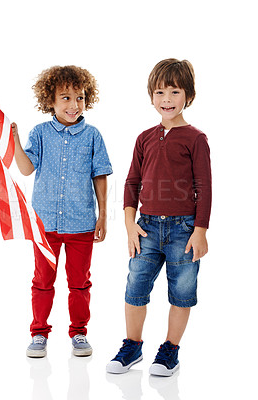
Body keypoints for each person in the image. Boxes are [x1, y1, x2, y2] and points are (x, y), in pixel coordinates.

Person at [106, 59, 211, 376]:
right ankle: (132, 345)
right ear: (151, 96)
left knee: (182, 290)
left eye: (175, 91)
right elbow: (131, 183)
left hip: (183, 229)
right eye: (160, 91)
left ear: (187, 96)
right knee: (135, 286)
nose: (167, 99)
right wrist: (129, 225)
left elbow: (204, 187)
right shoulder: (145, 138)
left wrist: (200, 231)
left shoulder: (195, 139)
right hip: (146, 227)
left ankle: (169, 351)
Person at [12, 65, 112, 358]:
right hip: (46, 224)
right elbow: (27, 168)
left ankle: (79, 332)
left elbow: (100, 175)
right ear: (50, 101)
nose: (73, 105)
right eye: (65, 98)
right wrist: (15, 141)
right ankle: (39, 333)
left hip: (81, 223)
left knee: (79, 282)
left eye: (79, 98)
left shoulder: (92, 135)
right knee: (42, 281)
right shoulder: (41, 133)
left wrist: (103, 215)